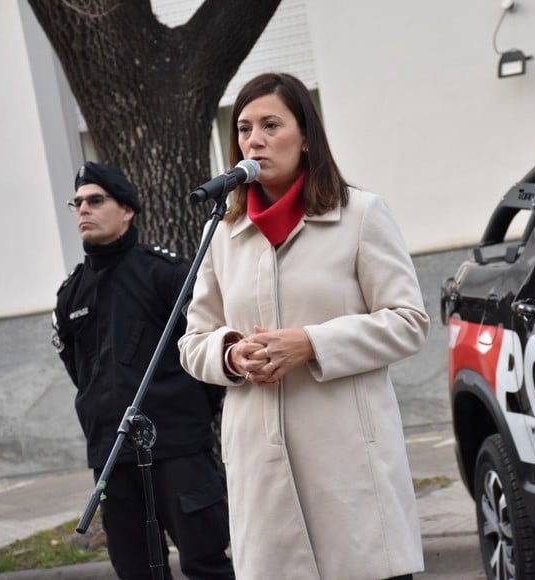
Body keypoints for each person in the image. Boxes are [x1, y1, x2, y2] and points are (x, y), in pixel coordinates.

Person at [178, 72, 430, 580]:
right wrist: (230, 354)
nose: (255, 139)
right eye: (244, 128)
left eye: (271, 124)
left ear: (307, 136)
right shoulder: (222, 234)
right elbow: (193, 340)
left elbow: (409, 322)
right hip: (260, 468)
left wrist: (311, 344)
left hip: (347, 467)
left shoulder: (360, 215)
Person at [51, 161, 235, 580]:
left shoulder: (166, 273)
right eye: (76, 203)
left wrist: (184, 416)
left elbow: (205, 351)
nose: (83, 210)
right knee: (137, 572)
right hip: (112, 457)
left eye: (95, 201)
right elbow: (80, 372)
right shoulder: (71, 293)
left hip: (177, 449)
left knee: (206, 564)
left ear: (127, 210)